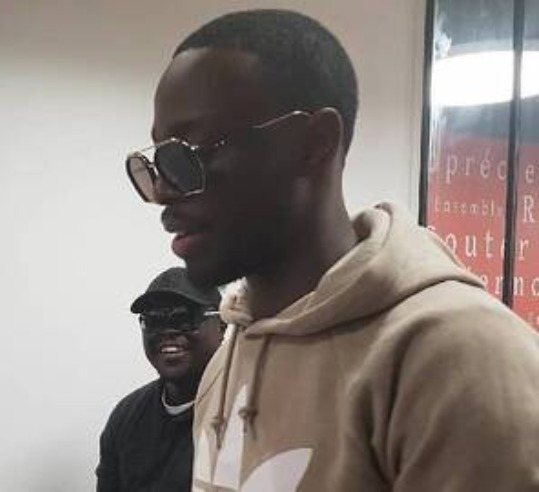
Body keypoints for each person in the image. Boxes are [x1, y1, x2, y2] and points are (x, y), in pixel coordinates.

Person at [124, 9, 539, 491]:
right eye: (159, 163)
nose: (164, 192)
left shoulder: (459, 358)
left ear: (314, 143)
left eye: (190, 154)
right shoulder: (226, 360)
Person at [96, 267, 224, 492]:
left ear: (223, 324)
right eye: (154, 321)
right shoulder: (126, 417)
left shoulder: (248, 409)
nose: (167, 332)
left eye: (184, 318)